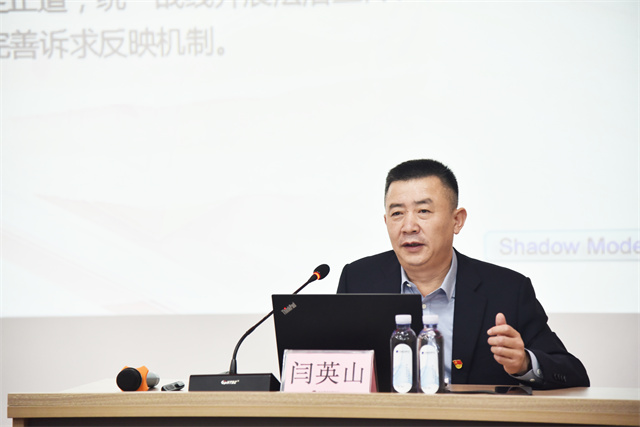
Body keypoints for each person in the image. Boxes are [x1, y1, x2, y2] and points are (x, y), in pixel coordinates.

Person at [337, 159, 589, 389]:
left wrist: (523, 362)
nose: (408, 226)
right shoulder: (358, 280)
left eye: (423, 211)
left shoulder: (508, 289)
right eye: (397, 214)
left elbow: (574, 373)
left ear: (457, 220)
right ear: (386, 222)